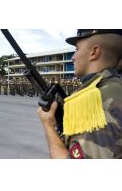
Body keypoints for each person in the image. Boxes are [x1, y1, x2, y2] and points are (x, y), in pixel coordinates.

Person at [38, 29, 122, 159]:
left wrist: (48, 125)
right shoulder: (115, 87)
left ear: (94, 52)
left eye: (77, 49)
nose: (73, 57)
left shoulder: (95, 103)